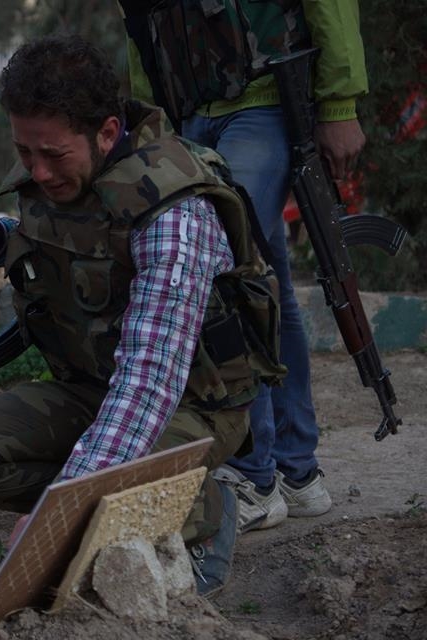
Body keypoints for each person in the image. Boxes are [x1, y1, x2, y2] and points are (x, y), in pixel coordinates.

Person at [0, 34, 285, 596]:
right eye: (25, 153)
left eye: (53, 155)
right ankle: (121, 494)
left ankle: (203, 506)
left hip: (190, 407)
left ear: (107, 132)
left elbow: (149, 382)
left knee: (81, 537)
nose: (37, 172)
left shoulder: (173, 211)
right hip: (93, 386)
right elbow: (72, 260)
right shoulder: (65, 170)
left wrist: (59, 513)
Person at [122, 0, 368, 532]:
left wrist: (340, 104)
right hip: (190, 116)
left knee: (227, 272)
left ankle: (252, 475)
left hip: (265, 98)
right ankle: (297, 474)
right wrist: (149, 126)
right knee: (260, 277)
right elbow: (142, 24)